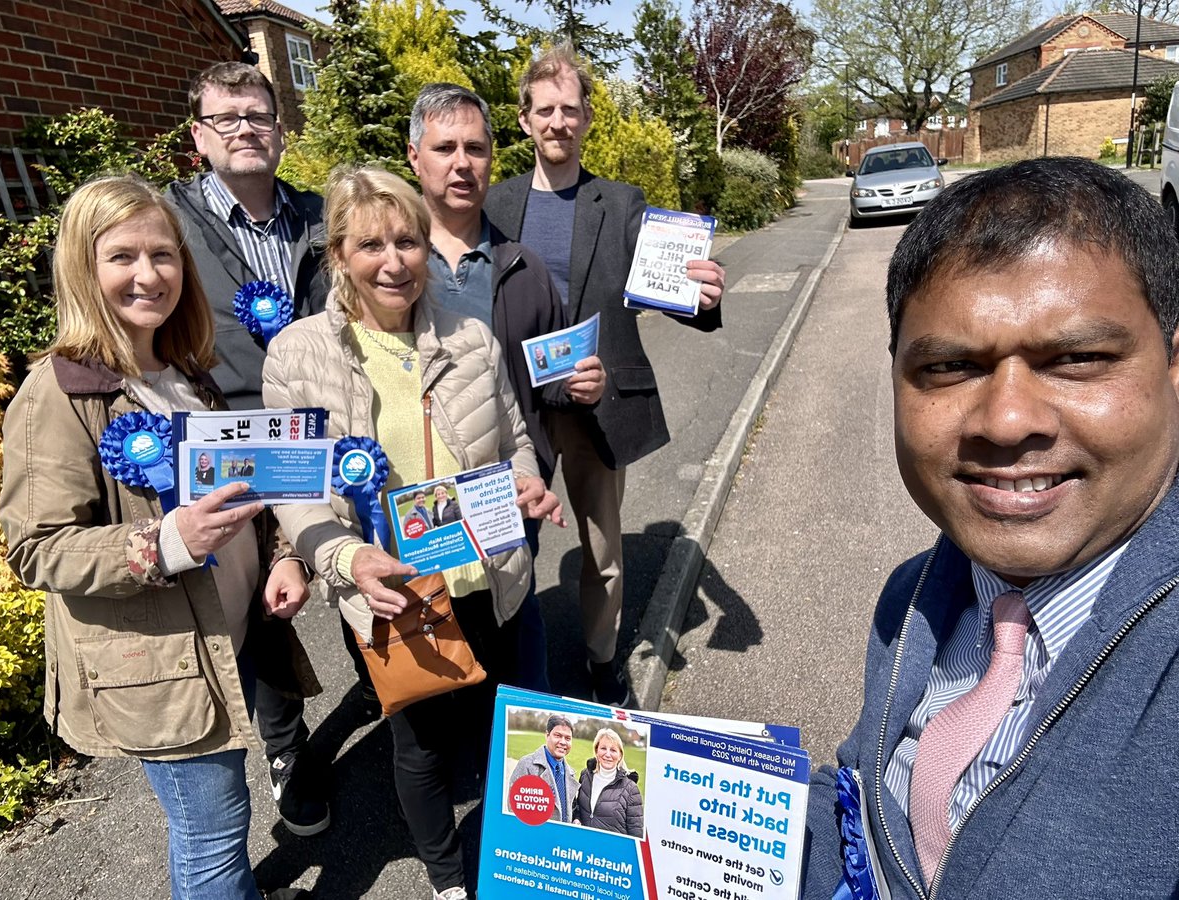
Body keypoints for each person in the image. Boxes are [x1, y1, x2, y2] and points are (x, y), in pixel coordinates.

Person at [802, 157, 1179, 899]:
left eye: (1076, 359)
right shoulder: (917, 596)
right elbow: (864, 812)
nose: (1007, 421)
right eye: (949, 368)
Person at [0, 174, 319, 900]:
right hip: (161, 665)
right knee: (209, 833)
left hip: (225, 638)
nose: (149, 275)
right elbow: (36, 548)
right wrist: (163, 540)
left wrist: (283, 555)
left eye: (164, 255)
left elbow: (248, 498)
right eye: (122, 257)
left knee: (222, 824)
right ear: (83, 266)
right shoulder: (57, 393)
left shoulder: (184, 374)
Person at [261, 165, 563, 900]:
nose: (393, 261)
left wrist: (527, 479)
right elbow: (292, 492)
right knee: (420, 744)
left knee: (513, 723)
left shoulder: (473, 338)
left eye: (407, 241)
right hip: (396, 590)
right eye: (371, 245)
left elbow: (517, 436)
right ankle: (449, 877)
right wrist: (345, 555)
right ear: (338, 255)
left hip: (491, 575)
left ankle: (532, 852)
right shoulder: (297, 355)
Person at [485, 45, 726, 704]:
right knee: (507, 545)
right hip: (519, 408)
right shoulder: (495, 206)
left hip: (596, 402)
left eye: (570, 109)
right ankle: (512, 669)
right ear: (525, 119)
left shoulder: (621, 204)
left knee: (602, 548)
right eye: (545, 110)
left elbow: (668, 284)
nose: (558, 121)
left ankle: (600, 659)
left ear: (587, 119)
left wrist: (704, 297)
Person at [166, 60, 331, 836]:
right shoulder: (170, 222)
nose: (244, 130)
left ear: (280, 127)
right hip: (226, 443)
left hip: (319, 430)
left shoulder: (317, 216)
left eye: (257, 115)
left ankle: (397, 700)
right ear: (198, 135)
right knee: (254, 611)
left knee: (330, 567)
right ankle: (284, 752)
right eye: (225, 118)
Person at [408, 81, 607, 692]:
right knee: (431, 651)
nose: (461, 164)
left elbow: (545, 385)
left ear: (494, 157)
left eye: (475, 148)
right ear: (415, 157)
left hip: (507, 490)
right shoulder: (390, 264)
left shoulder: (523, 267)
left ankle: (520, 761)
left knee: (512, 626)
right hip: (415, 495)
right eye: (444, 148)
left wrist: (579, 386)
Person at [572, 727, 642, 837]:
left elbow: (636, 832)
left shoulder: (630, 789)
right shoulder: (585, 775)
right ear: (596, 751)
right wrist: (576, 818)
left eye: (613, 750)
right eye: (603, 748)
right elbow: (579, 808)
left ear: (620, 755)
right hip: (584, 847)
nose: (608, 754)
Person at [509, 715, 579, 824]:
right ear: (547, 735)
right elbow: (514, 808)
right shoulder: (527, 765)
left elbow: (571, 808)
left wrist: (575, 819)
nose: (563, 742)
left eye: (568, 738)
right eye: (558, 735)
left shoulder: (571, 773)